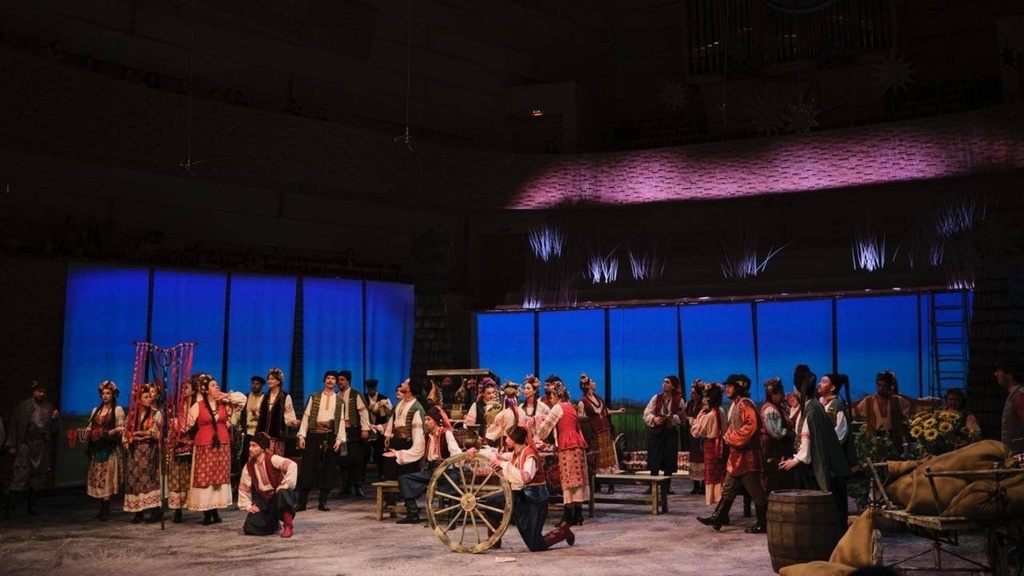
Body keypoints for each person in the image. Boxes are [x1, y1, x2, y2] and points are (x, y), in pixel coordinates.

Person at [476, 426, 575, 551]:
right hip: (522, 496)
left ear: (514, 439)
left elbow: (526, 477)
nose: (506, 440)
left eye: (508, 438)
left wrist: (504, 464)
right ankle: (494, 539)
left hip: (535, 501)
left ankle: (563, 531)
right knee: (493, 501)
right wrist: (475, 453)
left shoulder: (530, 455)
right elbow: (497, 456)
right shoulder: (517, 453)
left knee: (535, 545)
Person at [697, 373, 768, 534]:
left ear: (738, 388)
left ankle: (763, 522)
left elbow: (751, 425)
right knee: (728, 488)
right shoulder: (735, 405)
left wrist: (731, 437)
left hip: (747, 457)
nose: (727, 389)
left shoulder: (745, 404)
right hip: (737, 456)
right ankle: (718, 517)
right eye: (727, 386)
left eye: (730, 386)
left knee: (756, 490)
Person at [780, 371, 851, 519]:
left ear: (799, 389)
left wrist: (797, 459)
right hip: (815, 461)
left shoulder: (813, 410)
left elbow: (808, 441)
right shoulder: (811, 406)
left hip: (819, 464)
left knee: (820, 507)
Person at [185, 373, 245, 525]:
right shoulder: (198, 406)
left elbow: (242, 400)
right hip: (204, 445)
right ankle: (207, 512)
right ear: (206, 390)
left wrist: (226, 395)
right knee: (206, 478)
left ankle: (215, 510)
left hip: (222, 444)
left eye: (217, 385)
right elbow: (186, 424)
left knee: (219, 478)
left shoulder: (224, 404)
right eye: (213, 385)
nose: (217, 387)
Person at [392, 406, 462, 524]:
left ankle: (451, 519)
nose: (426, 422)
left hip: (446, 471)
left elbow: (455, 452)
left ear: (435, 421)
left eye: (428, 419)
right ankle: (413, 514)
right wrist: (397, 454)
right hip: (432, 471)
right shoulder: (426, 436)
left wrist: (462, 458)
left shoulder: (446, 434)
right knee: (405, 479)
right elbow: (416, 451)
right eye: (425, 420)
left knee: (453, 481)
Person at [536, 375, 589, 527]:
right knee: (577, 480)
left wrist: (537, 432)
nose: (550, 399)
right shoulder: (570, 406)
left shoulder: (558, 407)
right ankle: (578, 514)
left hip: (568, 447)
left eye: (551, 396)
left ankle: (567, 516)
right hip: (577, 446)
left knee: (569, 480)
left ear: (557, 395)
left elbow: (544, 429)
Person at [4, 380, 61, 518]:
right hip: (26, 446)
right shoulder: (23, 406)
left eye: (44, 392)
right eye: (39, 391)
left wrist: (55, 419)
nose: (41, 394)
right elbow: (14, 425)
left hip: (41, 447)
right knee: (20, 478)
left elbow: (55, 430)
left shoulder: (48, 407)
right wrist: (12, 444)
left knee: (37, 480)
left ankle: (32, 508)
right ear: (33, 392)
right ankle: (9, 509)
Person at [295, 370, 348, 512]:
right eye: (328, 378)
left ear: (336, 382)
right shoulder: (314, 396)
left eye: (333, 379)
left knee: (328, 468)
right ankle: (302, 502)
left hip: (329, 436)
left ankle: (323, 501)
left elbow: (341, 421)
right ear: (324, 381)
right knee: (308, 467)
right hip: (314, 435)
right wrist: (302, 436)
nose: (330, 380)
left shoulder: (339, 401)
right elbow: (306, 416)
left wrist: (339, 440)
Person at [238, 432, 298, 538]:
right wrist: (248, 506)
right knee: (249, 527)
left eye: (254, 446)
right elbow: (244, 487)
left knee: (282, 493)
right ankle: (274, 523)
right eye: (250, 445)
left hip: (278, 497)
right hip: (264, 501)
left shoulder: (272, 459)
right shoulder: (249, 466)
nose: (250, 449)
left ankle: (288, 526)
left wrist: (286, 484)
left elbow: (292, 465)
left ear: (262, 448)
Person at [84, 380, 125, 521]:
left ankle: (106, 508)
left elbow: (121, 427)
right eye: (103, 393)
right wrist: (85, 432)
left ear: (113, 395)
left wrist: (111, 432)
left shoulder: (117, 410)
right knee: (98, 477)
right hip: (97, 448)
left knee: (107, 477)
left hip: (109, 448)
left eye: (108, 393)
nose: (105, 396)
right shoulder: (96, 410)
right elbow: (90, 427)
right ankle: (102, 507)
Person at [577, 373, 626, 490]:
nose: (594, 383)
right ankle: (597, 484)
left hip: (606, 431)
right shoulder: (583, 402)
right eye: (592, 382)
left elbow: (605, 412)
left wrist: (618, 412)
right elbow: (581, 418)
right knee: (598, 459)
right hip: (595, 433)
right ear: (588, 386)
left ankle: (610, 484)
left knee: (609, 458)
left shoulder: (598, 398)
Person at [123, 382, 163, 524]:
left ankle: (155, 510)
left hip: (149, 451)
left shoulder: (156, 414)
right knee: (134, 479)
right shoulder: (132, 415)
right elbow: (126, 432)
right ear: (138, 400)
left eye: (150, 396)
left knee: (149, 478)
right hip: (135, 451)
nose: (149, 399)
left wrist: (139, 433)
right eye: (146, 397)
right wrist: (133, 435)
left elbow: (155, 433)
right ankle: (138, 511)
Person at [642, 375, 684, 495]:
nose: (664, 384)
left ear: (673, 386)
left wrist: (672, 418)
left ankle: (666, 486)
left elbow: (681, 418)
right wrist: (654, 419)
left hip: (670, 432)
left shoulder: (679, 400)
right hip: (657, 432)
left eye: (667, 382)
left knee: (669, 459)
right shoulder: (657, 398)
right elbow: (647, 412)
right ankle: (652, 485)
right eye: (664, 382)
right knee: (654, 458)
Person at [380, 379, 426, 487]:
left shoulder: (416, 407)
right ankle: (390, 495)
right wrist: (388, 435)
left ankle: (405, 494)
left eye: (405, 383)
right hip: (396, 441)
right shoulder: (400, 403)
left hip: (407, 443)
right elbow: (393, 418)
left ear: (409, 388)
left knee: (404, 472)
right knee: (390, 470)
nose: (402, 384)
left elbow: (418, 431)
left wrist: (415, 448)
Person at [851, 371, 912, 449]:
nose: (881, 388)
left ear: (890, 387)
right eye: (879, 385)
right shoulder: (868, 401)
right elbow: (855, 413)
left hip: (894, 440)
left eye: (884, 386)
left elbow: (906, 417)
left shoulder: (898, 401)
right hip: (874, 439)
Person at [335, 369, 371, 497]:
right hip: (341, 433)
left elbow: (363, 412)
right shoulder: (336, 395)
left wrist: (365, 429)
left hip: (354, 432)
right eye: (338, 380)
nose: (339, 382)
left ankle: (357, 486)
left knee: (355, 459)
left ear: (348, 381)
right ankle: (345, 486)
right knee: (343, 459)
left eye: (342, 380)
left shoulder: (355, 393)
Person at [690, 382, 727, 506]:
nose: (704, 400)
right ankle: (721, 502)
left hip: (711, 446)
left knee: (713, 474)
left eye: (705, 397)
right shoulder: (721, 411)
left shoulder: (709, 416)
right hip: (721, 445)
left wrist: (698, 419)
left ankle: (717, 502)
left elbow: (696, 432)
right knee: (720, 473)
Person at [760, 377, 795, 495]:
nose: (782, 395)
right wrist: (789, 433)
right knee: (772, 481)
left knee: (781, 480)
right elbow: (776, 432)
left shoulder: (780, 407)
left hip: (779, 449)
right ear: (773, 395)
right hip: (772, 449)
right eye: (780, 393)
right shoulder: (770, 409)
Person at [255, 368, 298, 457]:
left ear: (278, 381)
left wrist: (292, 421)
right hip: (262, 436)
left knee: (274, 461)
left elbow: (289, 415)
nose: (269, 381)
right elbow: (259, 413)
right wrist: (255, 411)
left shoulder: (285, 397)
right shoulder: (264, 397)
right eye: (268, 379)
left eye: (272, 379)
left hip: (276, 436)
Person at [995, 356, 1024, 454]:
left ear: (1009, 375)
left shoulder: (1019, 397)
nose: (995, 374)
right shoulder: (1013, 396)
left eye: (999, 371)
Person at [684, 379, 706, 495]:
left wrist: (691, 419)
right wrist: (688, 418)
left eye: (694, 393)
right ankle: (695, 484)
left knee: (701, 459)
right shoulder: (690, 404)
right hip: (692, 435)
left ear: (699, 394)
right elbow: (685, 414)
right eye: (691, 393)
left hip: (700, 435)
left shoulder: (703, 405)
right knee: (694, 459)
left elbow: (702, 419)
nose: (692, 395)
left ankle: (703, 485)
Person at [364, 379, 392, 469]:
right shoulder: (363, 398)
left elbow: (390, 413)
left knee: (379, 453)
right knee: (365, 453)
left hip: (380, 430)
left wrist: (383, 406)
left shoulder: (383, 398)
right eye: (369, 388)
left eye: (373, 388)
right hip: (367, 429)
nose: (371, 390)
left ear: (376, 388)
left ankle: (381, 473)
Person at [464, 378, 501, 445]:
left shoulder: (498, 406)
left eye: (493, 393)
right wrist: (476, 436)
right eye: (488, 393)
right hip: (479, 440)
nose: (492, 395)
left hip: (494, 440)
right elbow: (469, 424)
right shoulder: (476, 405)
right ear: (483, 394)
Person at [519, 375, 551, 448]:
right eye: (524, 388)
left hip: (539, 440)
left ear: (535, 391)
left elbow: (549, 421)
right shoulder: (521, 407)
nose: (525, 390)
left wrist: (537, 418)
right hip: (524, 441)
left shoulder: (542, 407)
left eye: (528, 388)